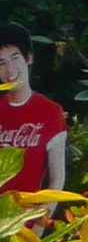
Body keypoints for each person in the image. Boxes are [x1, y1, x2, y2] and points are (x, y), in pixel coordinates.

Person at [0, 25, 68, 199]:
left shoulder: (51, 112)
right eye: (1, 63)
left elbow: (57, 180)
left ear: (28, 58)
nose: (10, 70)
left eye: (15, 58)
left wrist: (38, 225)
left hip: (28, 218)